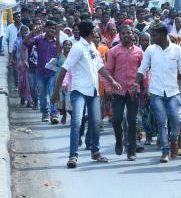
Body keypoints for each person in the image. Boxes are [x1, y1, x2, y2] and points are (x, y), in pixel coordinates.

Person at [52, 21, 122, 169]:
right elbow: (64, 69)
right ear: (90, 33)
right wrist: (56, 92)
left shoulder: (92, 47)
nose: (97, 33)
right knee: (76, 123)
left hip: (93, 91)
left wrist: (112, 80)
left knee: (96, 123)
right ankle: (73, 156)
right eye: (95, 31)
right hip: (79, 91)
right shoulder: (77, 48)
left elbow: (100, 67)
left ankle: (95, 152)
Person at [136, 23, 181, 163]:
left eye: (154, 35)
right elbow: (142, 69)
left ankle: (174, 139)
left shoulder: (177, 50)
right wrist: (136, 83)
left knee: (177, 120)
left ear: (163, 35)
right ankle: (165, 151)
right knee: (162, 122)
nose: (152, 38)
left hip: (173, 91)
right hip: (156, 92)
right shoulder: (151, 50)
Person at [106, 25, 143, 161]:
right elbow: (108, 71)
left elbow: (144, 72)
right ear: (119, 35)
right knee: (117, 120)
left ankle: (131, 150)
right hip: (118, 91)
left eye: (129, 33)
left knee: (132, 121)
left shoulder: (139, 52)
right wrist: (109, 89)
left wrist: (146, 89)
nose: (127, 35)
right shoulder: (113, 51)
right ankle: (119, 140)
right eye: (123, 33)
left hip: (133, 91)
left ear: (133, 34)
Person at [23, 20, 60, 124]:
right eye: (49, 28)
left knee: (52, 93)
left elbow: (60, 54)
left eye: (53, 28)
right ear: (45, 28)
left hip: (53, 73)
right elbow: (25, 43)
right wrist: (31, 32)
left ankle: (53, 113)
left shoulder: (57, 41)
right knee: (42, 94)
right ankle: (45, 112)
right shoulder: (38, 39)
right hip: (40, 72)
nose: (51, 30)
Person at [12, 25, 32, 107]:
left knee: (29, 83)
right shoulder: (17, 41)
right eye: (23, 31)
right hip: (20, 65)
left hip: (30, 64)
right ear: (20, 32)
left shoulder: (32, 41)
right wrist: (13, 59)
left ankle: (29, 101)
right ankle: (22, 99)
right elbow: (14, 51)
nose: (25, 32)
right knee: (22, 82)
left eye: (26, 31)